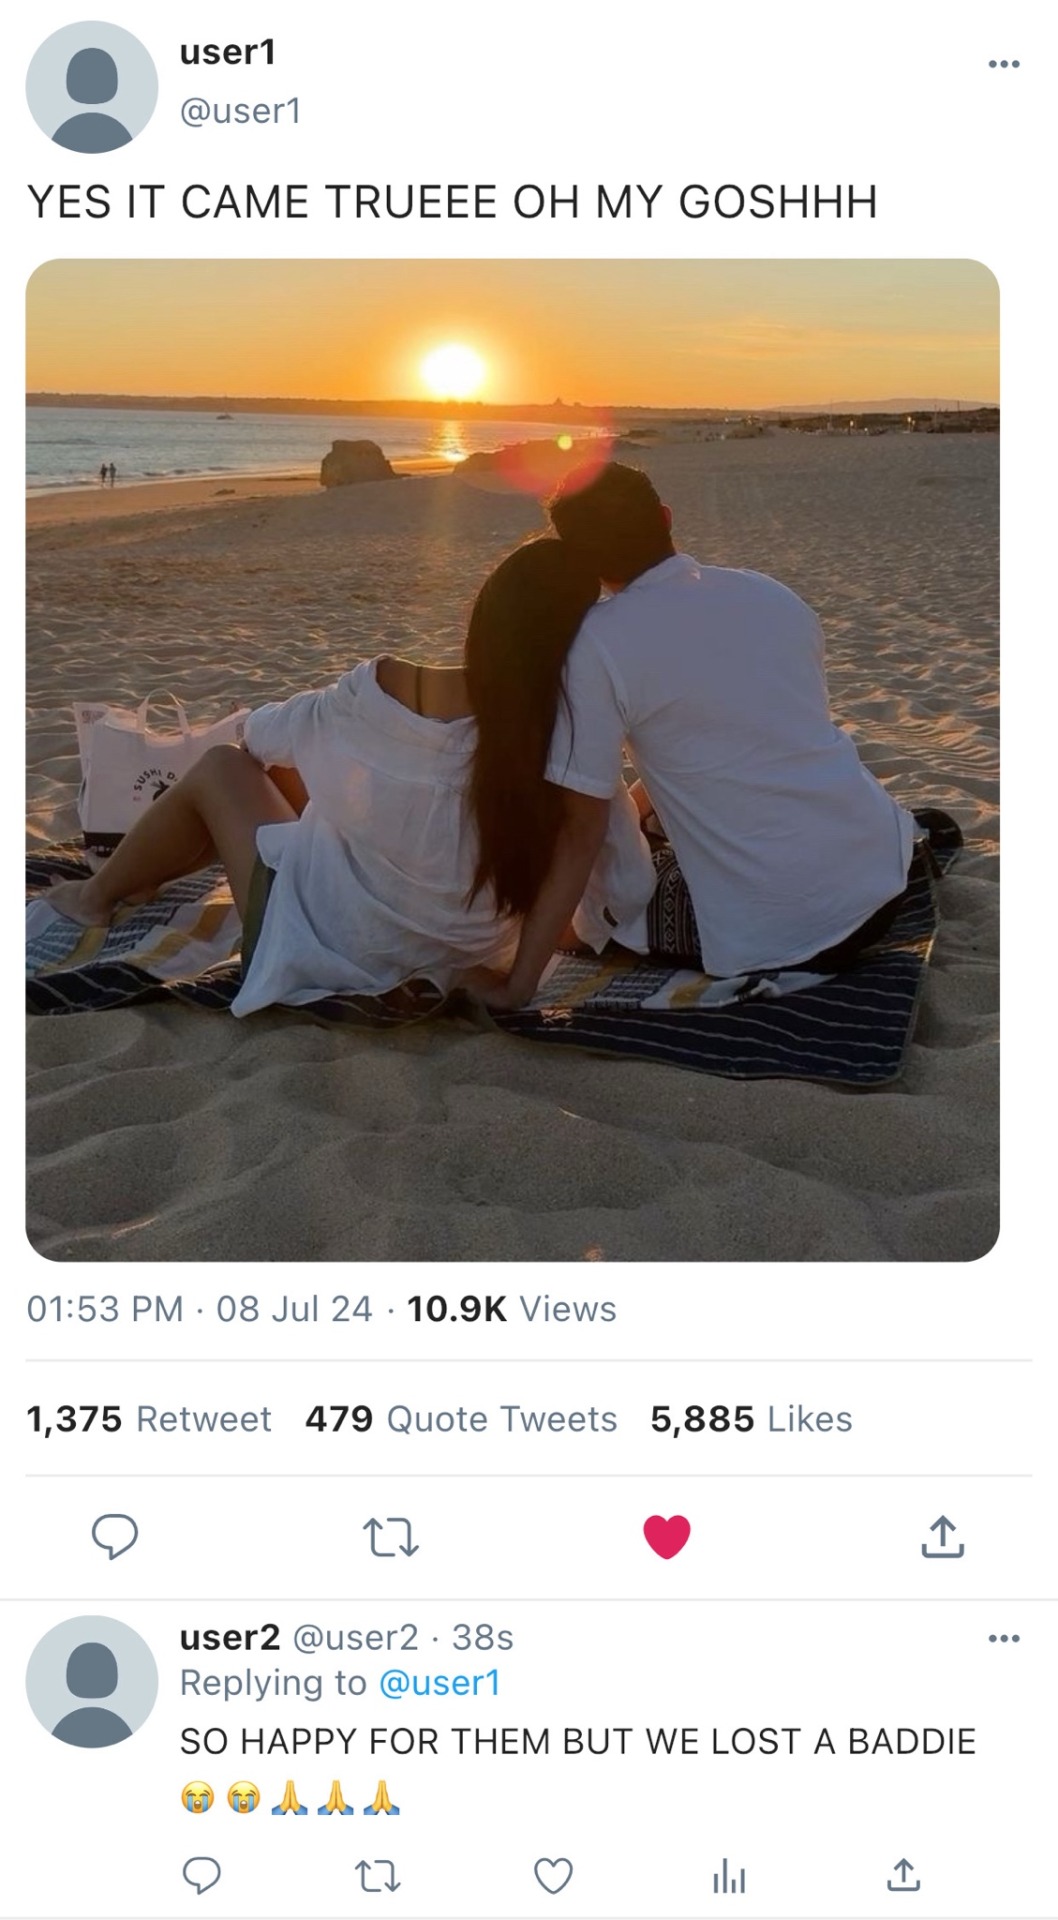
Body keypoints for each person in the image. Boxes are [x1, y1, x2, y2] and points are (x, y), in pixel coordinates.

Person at [45, 541, 656, 1013]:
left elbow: (255, 738)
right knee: (304, 789)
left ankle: (95, 897)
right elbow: (625, 891)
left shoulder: (383, 689)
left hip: (333, 942)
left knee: (222, 768)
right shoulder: (576, 743)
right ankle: (145, 877)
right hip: (457, 955)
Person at [478, 462, 918, 1008]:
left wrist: (520, 985)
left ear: (582, 559)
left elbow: (582, 831)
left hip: (787, 930)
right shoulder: (772, 595)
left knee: (589, 915)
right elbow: (751, 742)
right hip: (882, 875)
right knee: (653, 824)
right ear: (665, 518)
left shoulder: (597, 644)